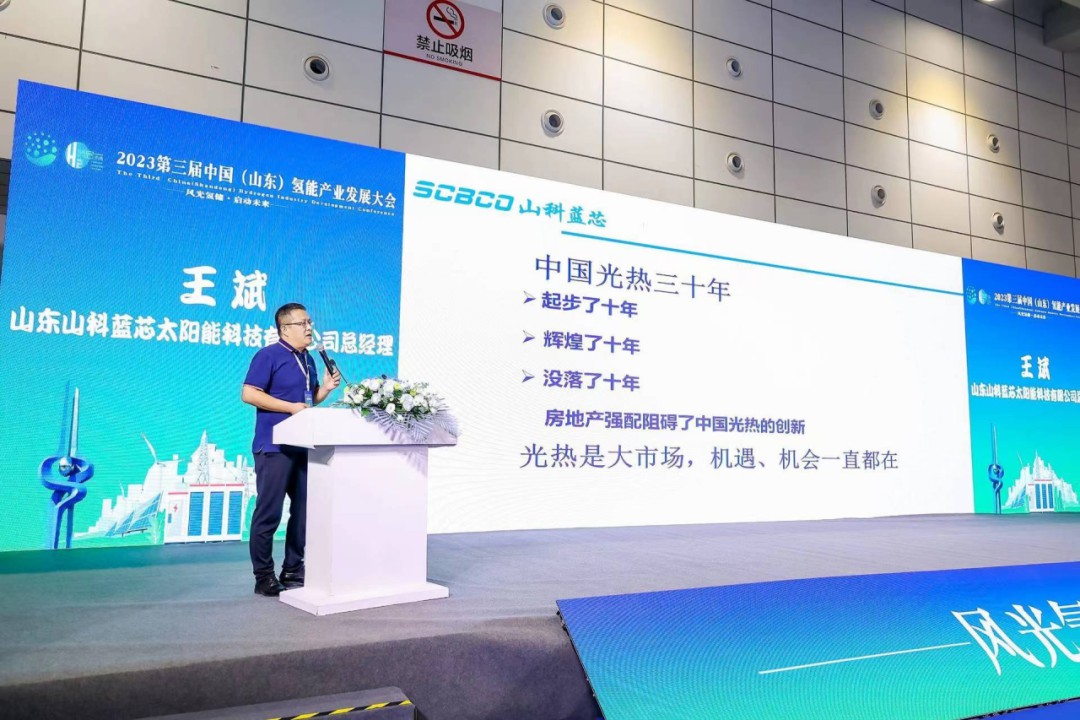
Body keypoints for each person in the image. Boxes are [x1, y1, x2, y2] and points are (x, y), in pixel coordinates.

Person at [241, 303, 341, 597]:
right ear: (285, 329)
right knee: (269, 513)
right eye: (302, 323)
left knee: (304, 510)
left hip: (303, 445)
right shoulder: (268, 355)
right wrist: (289, 408)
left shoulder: (308, 359)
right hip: (274, 446)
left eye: (310, 322)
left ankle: (293, 569)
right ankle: (264, 577)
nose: (309, 328)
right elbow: (249, 393)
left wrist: (325, 389)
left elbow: (308, 403)